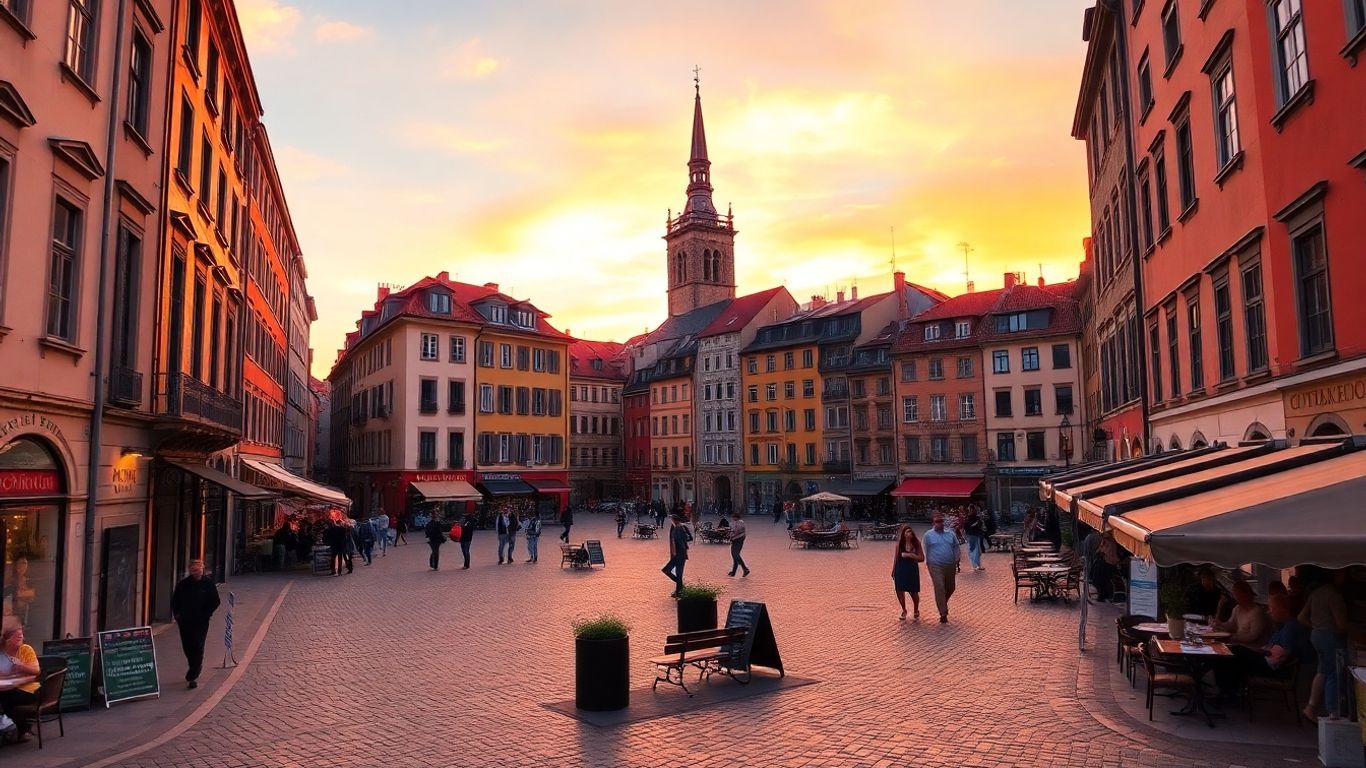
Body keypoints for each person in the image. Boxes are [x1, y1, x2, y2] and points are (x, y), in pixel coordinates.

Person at [1218, 593, 1310, 697]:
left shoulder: (1290, 628)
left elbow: (1279, 657)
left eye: (1272, 608)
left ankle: (1227, 693)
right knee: (1233, 653)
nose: (1269, 611)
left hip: (1277, 670)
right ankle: (1229, 691)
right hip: (1270, 662)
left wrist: (1260, 651)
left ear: (1283, 609)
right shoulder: (1284, 625)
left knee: (1235, 652)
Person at [1300, 569, 1349, 720]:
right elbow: (1342, 624)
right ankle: (1333, 710)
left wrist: (1316, 626)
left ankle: (1311, 706)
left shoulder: (1317, 593)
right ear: (1335, 575)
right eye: (1342, 573)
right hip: (1331, 636)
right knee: (1334, 672)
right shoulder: (1334, 595)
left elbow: (1301, 617)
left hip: (1317, 635)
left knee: (1323, 670)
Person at [170, 560, 220, 690]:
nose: (196, 573)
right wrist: (178, 615)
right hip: (185, 621)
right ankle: (194, 665)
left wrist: (207, 614)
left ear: (202, 570)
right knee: (187, 645)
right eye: (193, 571)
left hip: (201, 621)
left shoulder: (208, 584)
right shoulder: (183, 584)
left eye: (198, 570)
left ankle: (193, 672)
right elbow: (175, 601)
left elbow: (215, 601)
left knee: (198, 644)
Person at [0, 624, 41, 738]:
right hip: (11, 688)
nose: (20, 638)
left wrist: (21, 665)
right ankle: (18, 728)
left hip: (30, 691)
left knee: (6, 695)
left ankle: (16, 727)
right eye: (16, 636)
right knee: (5, 694)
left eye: (21, 635)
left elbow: (36, 671)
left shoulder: (26, 649)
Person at [923, 513, 961, 624]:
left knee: (951, 587)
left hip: (950, 564)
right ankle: (943, 613)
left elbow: (956, 546)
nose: (940, 523)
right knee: (939, 586)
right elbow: (925, 549)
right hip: (935, 565)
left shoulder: (950, 534)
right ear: (933, 523)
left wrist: (956, 559)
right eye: (937, 522)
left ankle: (942, 602)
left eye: (941, 521)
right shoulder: (928, 535)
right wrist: (928, 563)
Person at [1214, 581, 1271, 647]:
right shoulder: (1237, 608)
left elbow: (1253, 637)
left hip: (1253, 649)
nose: (1235, 598)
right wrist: (1219, 624)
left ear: (1246, 595)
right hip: (1239, 645)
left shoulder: (1256, 612)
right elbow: (1231, 625)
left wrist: (1232, 637)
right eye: (1234, 595)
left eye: (1237, 595)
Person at [892, 525, 925, 621]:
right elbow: (896, 558)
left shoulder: (916, 543)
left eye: (910, 531)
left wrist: (911, 555)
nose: (909, 533)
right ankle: (903, 609)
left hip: (912, 569)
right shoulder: (900, 545)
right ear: (903, 534)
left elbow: (922, 558)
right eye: (907, 532)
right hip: (901, 568)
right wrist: (893, 570)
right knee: (899, 590)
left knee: (913, 591)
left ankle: (916, 609)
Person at [661, 513, 690, 595]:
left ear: (674, 520)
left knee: (667, 570)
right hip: (682, 554)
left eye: (672, 520)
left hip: (678, 555)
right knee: (678, 573)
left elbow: (679, 541)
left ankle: (680, 587)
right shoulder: (682, 527)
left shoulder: (678, 528)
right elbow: (689, 538)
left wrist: (678, 550)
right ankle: (679, 590)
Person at [963, 507, 986, 572]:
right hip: (973, 535)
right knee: (975, 551)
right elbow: (967, 526)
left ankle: (977, 565)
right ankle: (976, 565)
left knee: (975, 550)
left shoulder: (969, 518)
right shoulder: (973, 518)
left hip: (972, 535)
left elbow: (965, 526)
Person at [726, 511, 749, 577]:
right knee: (734, 556)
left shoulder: (740, 523)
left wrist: (731, 535)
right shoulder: (735, 523)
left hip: (738, 540)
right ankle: (733, 572)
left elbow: (737, 531)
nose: (733, 518)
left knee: (735, 555)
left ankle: (745, 569)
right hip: (736, 540)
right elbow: (732, 530)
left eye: (734, 517)